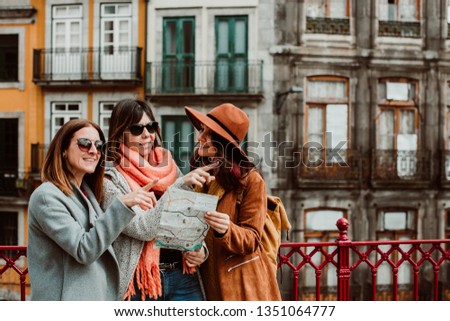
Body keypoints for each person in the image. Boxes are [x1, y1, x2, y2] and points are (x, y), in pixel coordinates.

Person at [27, 119, 157, 301]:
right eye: (84, 144)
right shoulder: (47, 197)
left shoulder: (87, 193)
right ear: (63, 149)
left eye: (99, 145)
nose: (94, 151)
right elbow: (84, 250)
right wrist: (122, 205)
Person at [102, 98, 214, 301]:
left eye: (151, 126)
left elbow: (190, 221)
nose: (147, 134)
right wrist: (177, 189)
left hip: (183, 277)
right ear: (120, 135)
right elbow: (143, 229)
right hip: (139, 285)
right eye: (137, 129)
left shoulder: (170, 168)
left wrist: (201, 250)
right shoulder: (110, 181)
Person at [185, 103, 282, 300]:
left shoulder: (251, 180)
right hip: (204, 284)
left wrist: (227, 229)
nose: (198, 138)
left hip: (241, 286)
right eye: (201, 130)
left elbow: (252, 239)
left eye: (206, 133)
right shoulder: (198, 175)